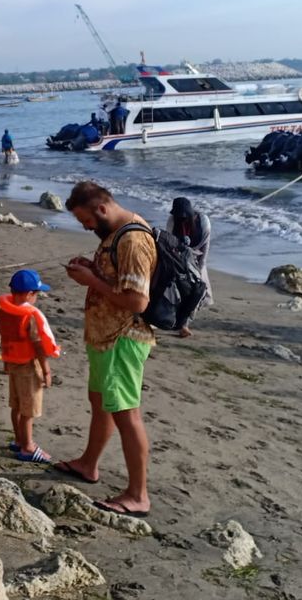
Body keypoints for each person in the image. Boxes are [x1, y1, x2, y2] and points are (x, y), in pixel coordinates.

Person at [57, 181, 155, 518]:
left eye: (85, 219)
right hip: (105, 336)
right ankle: (88, 464)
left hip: (123, 338)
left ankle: (138, 495)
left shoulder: (133, 239)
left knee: (127, 414)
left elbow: (138, 300)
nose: (85, 227)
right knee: (100, 403)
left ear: (101, 208)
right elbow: (119, 280)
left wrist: (92, 281)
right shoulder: (114, 236)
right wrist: (94, 268)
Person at [0, 269, 61, 464]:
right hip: (28, 366)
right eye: (36, 293)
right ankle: (27, 447)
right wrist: (46, 370)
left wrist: (5, 363)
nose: (37, 297)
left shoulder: (6, 309)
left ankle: (18, 439)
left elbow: (5, 338)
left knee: (16, 405)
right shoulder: (30, 315)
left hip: (12, 364)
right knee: (28, 410)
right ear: (28, 294)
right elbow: (37, 345)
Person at [166, 197, 212, 338]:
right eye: (180, 217)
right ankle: (174, 319)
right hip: (179, 257)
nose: (182, 219)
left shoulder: (203, 222)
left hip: (197, 258)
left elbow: (205, 245)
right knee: (177, 288)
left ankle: (185, 324)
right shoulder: (172, 221)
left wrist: (200, 266)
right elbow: (170, 243)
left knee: (198, 290)